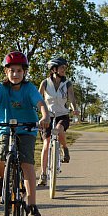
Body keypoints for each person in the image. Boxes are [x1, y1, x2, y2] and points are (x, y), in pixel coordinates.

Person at [0, 51, 50, 216]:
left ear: (25, 72)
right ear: (6, 72)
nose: (15, 74)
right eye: (12, 71)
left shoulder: (29, 88)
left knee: (27, 164)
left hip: (27, 128)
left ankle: (32, 205)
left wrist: (45, 116)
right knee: (1, 154)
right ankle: (1, 179)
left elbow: (40, 103)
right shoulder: (1, 88)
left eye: (19, 71)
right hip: (4, 128)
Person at [37, 57, 79, 187]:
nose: (64, 70)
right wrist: (36, 110)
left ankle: (64, 148)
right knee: (46, 143)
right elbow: (38, 98)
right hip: (47, 116)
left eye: (65, 68)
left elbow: (71, 98)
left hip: (62, 115)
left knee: (59, 129)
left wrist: (74, 109)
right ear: (54, 69)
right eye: (62, 68)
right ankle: (43, 174)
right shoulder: (45, 83)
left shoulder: (67, 83)